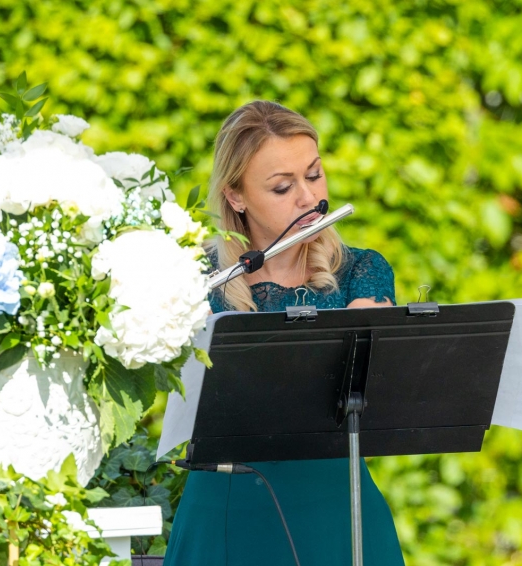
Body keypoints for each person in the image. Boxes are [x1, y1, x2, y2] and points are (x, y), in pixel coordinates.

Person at [164, 101, 405, 566]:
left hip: (337, 512)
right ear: (236, 196)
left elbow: (376, 402)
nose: (308, 198)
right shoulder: (194, 277)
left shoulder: (362, 273)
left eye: (314, 175)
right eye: (282, 186)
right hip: (227, 513)